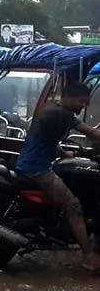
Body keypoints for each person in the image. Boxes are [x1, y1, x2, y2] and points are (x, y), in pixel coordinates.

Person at [14, 82, 100, 271]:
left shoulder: (51, 109)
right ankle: (89, 257)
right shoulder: (63, 114)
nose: (83, 106)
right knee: (74, 205)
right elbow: (92, 133)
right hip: (36, 169)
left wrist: (64, 153)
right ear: (68, 97)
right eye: (81, 102)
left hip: (31, 163)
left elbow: (45, 138)